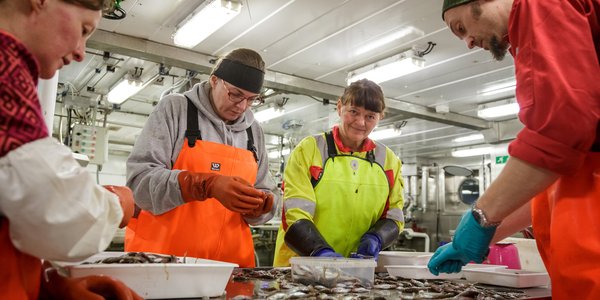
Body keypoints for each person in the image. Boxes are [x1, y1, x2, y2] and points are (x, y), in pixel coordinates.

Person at [428, 0, 600, 298]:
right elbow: (551, 175)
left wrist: (482, 215)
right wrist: (485, 232)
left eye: (462, 28)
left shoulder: (538, 6)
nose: (468, 43)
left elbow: (559, 130)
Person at [0, 0, 140, 299]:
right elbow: (57, 213)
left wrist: (47, 286)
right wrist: (118, 204)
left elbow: (13, 210)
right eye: (83, 29)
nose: (81, 51)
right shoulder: (4, 73)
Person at [125, 48, 279, 268]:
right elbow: (139, 185)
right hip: (165, 265)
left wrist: (261, 208)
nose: (242, 106)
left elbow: (267, 190)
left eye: (251, 99)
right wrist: (204, 185)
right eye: (235, 94)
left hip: (230, 268)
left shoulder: (253, 131)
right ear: (214, 80)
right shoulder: (175, 109)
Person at [272, 79, 405, 266]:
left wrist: (376, 238)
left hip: (356, 271)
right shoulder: (310, 150)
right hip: (300, 266)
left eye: (370, 116)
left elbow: (394, 216)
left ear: (380, 117)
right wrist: (319, 251)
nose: (360, 122)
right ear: (340, 107)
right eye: (354, 112)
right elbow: (295, 212)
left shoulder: (389, 161)